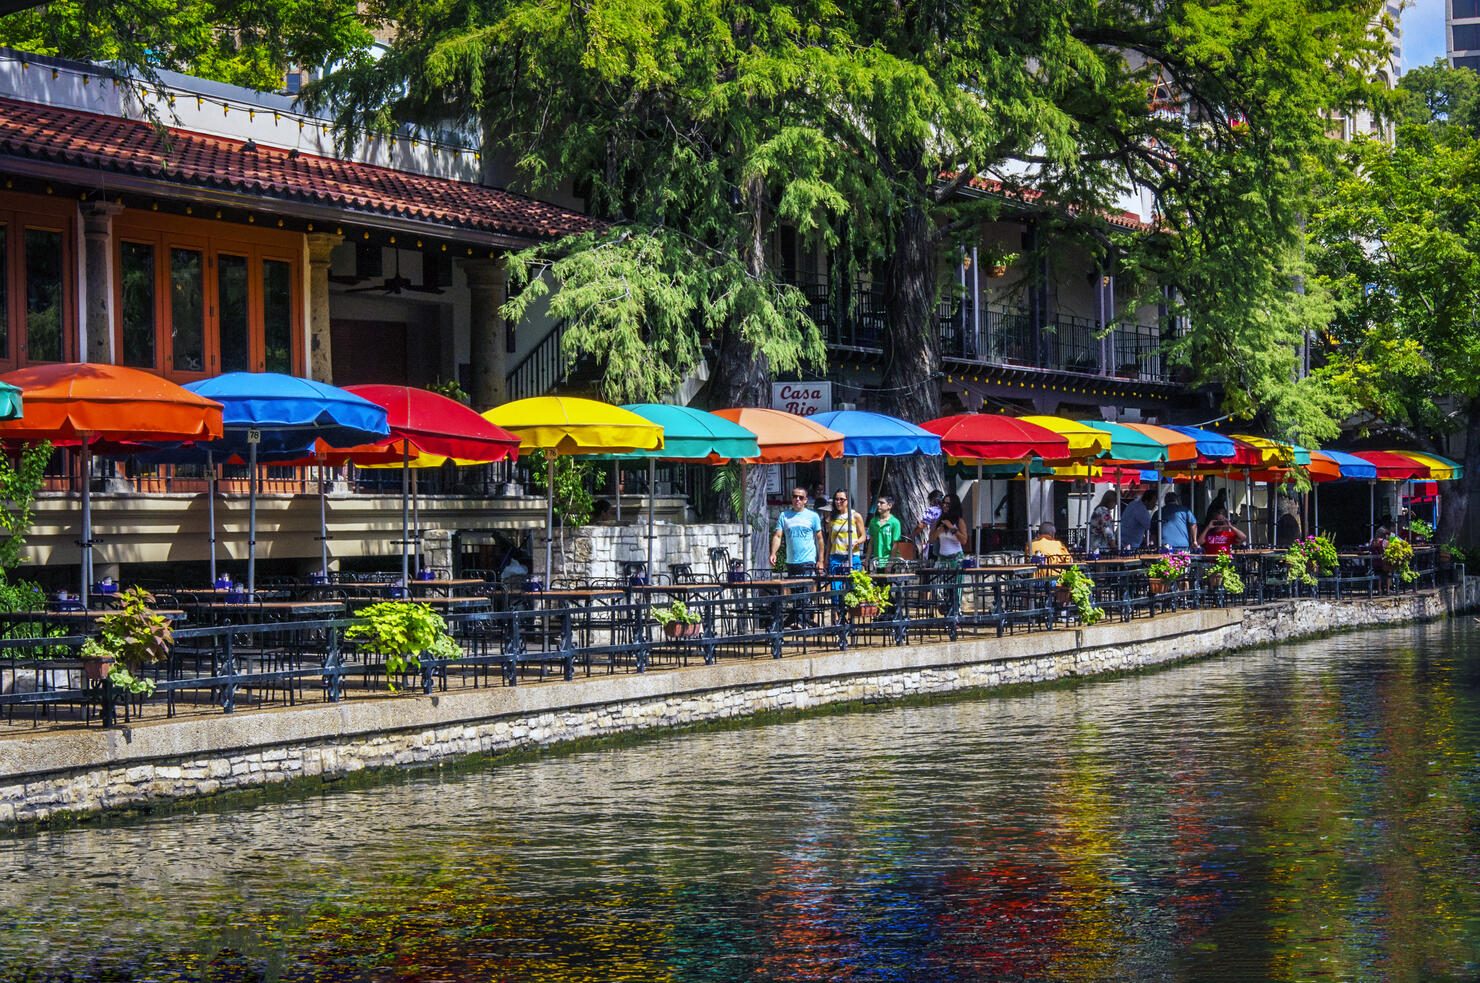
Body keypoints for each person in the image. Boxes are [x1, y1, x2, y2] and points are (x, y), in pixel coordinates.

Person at [929, 493, 970, 612]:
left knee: (955, 589)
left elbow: (964, 540)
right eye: (944, 503)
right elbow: (931, 539)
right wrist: (939, 530)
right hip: (942, 558)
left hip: (956, 558)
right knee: (937, 587)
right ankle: (945, 607)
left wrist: (952, 528)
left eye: (948, 503)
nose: (945, 506)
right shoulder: (939, 520)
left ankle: (956, 612)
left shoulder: (959, 521)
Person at [770, 487, 824, 575]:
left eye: (801, 497)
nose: (797, 499)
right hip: (791, 562)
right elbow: (778, 536)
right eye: (795, 496)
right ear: (791, 498)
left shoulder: (813, 516)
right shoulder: (784, 516)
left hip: (808, 561)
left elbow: (820, 539)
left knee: (807, 588)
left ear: (805, 500)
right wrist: (773, 553)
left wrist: (821, 560)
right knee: (793, 588)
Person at [825, 489, 867, 574]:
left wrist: (856, 543)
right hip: (835, 557)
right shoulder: (832, 517)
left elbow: (863, 536)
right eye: (836, 499)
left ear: (848, 501)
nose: (838, 502)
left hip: (852, 556)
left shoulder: (855, 516)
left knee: (853, 584)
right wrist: (826, 558)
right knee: (836, 585)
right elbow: (830, 540)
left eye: (842, 499)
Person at [867, 495, 903, 568]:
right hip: (877, 561)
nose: (878, 505)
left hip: (889, 561)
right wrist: (867, 560)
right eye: (878, 502)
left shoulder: (894, 522)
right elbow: (871, 542)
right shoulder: (873, 521)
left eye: (881, 503)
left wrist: (890, 563)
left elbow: (895, 544)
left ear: (889, 505)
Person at [914, 488, 945, 560]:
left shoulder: (933, 510)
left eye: (930, 500)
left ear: (933, 500)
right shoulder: (945, 511)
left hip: (936, 541)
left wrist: (912, 534)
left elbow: (922, 525)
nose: (930, 503)